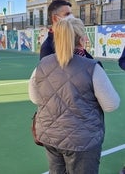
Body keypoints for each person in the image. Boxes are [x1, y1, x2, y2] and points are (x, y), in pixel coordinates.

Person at [29, 18, 120, 174]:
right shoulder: (91, 67)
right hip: (82, 140)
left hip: (50, 136)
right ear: (82, 39)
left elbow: (35, 98)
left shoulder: (42, 64)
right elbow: (111, 104)